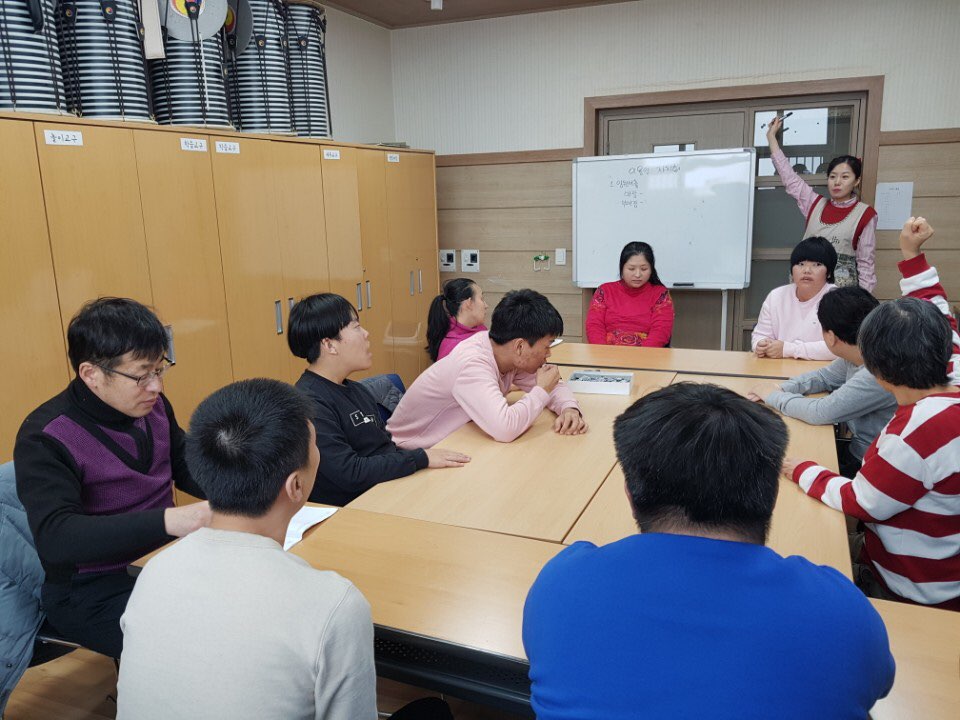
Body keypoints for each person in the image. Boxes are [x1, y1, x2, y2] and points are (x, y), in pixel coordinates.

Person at [523, 382, 895, 718]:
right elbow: (876, 686)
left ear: (630, 495)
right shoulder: (840, 612)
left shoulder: (561, 584)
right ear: (772, 494)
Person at [117, 379, 453, 720]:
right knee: (433, 711)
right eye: (315, 446)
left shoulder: (156, 570)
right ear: (296, 486)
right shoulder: (334, 605)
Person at [14, 298, 211, 659]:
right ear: (91, 374)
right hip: (93, 590)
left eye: (159, 369)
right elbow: (58, 537)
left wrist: (248, 485)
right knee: (204, 642)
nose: (156, 387)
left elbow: (185, 465)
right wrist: (172, 520)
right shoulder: (46, 436)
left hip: (164, 561)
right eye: (141, 375)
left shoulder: (152, 406)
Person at [784, 217, 960, 610]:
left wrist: (801, 469)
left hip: (915, 586)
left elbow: (864, 501)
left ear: (877, 371)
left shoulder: (915, 434)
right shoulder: (951, 365)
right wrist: (911, 254)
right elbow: (937, 309)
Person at [289, 293, 470, 506]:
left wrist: (421, 461)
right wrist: (421, 458)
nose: (366, 334)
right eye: (356, 327)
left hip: (388, 490)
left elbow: (385, 449)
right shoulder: (309, 403)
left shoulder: (357, 390)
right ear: (329, 345)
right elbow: (349, 473)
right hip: (356, 508)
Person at [388, 289, 586, 448]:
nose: (548, 354)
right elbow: (505, 428)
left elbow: (551, 382)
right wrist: (541, 391)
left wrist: (569, 408)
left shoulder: (505, 351)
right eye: (547, 346)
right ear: (520, 346)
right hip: (411, 451)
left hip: (455, 440)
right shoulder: (473, 364)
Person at [748, 286, 896, 478]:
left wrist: (772, 396)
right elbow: (823, 377)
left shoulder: (875, 372)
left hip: (871, 465)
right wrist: (781, 388)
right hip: (861, 450)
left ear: (831, 337)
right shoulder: (862, 352)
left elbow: (820, 412)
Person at [766, 115, 877, 290]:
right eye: (832, 177)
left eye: (845, 177)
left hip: (840, 296)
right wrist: (771, 138)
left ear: (856, 181)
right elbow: (790, 178)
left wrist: (863, 300)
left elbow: (866, 264)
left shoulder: (865, 215)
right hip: (805, 291)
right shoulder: (814, 204)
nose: (837, 182)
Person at [752, 236, 838, 360]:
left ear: (829, 272)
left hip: (822, 369)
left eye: (816, 264)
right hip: (779, 367)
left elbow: (839, 347)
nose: (807, 270)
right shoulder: (776, 296)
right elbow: (760, 334)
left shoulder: (838, 299)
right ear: (792, 270)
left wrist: (788, 350)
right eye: (801, 264)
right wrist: (760, 345)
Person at [585, 241, 674, 347]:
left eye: (644, 269)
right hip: (607, 353)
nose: (637, 274)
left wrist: (641, 355)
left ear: (651, 269)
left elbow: (660, 331)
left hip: (646, 354)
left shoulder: (660, 294)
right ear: (622, 268)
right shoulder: (604, 291)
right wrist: (603, 352)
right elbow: (594, 326)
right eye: (631, 269)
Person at [426, 278, 488, 361]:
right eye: (481, 299)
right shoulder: (453, 347)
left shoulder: (480, 330)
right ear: (469, 303)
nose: (486, 305)